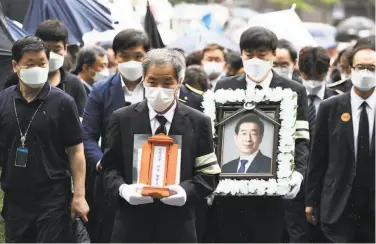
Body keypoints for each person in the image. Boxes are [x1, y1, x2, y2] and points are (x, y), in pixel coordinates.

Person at [102, 48, 220, 242]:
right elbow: (108, 168)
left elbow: (209, 173)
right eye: (152, 81)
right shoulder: (122, 118)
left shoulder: (198, 122)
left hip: (178, 226)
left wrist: (185, 191)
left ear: (179, 82)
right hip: (132, 225)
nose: (159, 88)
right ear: (143, 80)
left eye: (167, 82)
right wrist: (123, 189)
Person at [210, 26, 309, 243]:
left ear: (274, 55)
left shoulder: (294, 90)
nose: (255, 60)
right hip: (231, 194)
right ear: (242, 55)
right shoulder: (225, 87)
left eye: (262, 55)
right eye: (249, 55)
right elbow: (217, 135)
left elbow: (301, 138)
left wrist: (298, 173)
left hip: (272, 196)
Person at [0, 36, 89, 242]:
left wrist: (79, 195)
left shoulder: (63, 102)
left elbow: (76, 152)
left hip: (53, 197)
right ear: (16, 66)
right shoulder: (4, 100)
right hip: (15, 198)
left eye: (42, 63)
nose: (37, 68)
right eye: (30, 64)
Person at [81, 28, 150, 242]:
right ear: (115, 57)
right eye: (125, 57)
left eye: (138, 57)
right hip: (111, 176)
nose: (131, 62)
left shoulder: (155, 87)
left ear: (147, 56)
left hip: (150, 174)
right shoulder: (101, 90)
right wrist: (100, 162)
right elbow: (87, 135)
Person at [305, 44, 375, 243]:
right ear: (350, 69)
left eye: (372, 68)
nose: (366, 73)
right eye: (360, 67)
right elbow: (317, 157)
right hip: (338, 202)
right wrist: (311, 201)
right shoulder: (331, 107)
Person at [284, 46, 340, 243]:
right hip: (295, 183)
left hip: (327, 187)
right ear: (299, 70)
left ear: (328, 70)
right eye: (309, 75)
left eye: (320, 74)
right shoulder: (287, 98)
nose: (314, 81)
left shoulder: (338, 101)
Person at [3, 20, 87, 116]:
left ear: (65, 49)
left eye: (57, 49)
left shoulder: (74, 84)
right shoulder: (17, 79)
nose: (51, 54)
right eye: (46, 48)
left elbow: (80, 119)